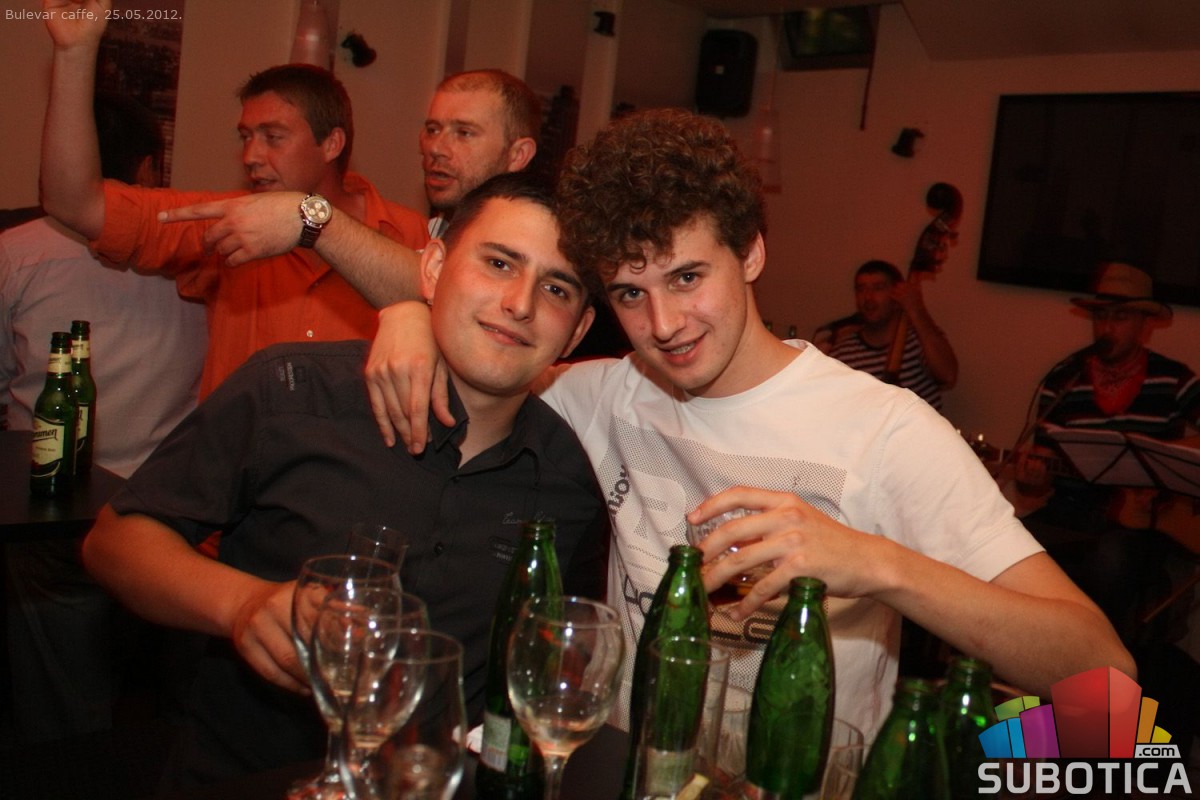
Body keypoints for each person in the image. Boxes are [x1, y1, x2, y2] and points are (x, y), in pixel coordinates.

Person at [365, 108, 1133, 744]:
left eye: (687, 277)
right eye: (630, 294)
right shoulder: (602, 395)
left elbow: (1107, 678)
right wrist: (409, 315)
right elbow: (487, 339)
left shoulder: (885, 431)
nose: (664, 324)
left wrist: (879, 566)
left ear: (752, 252)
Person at [79, 173, 609, 786]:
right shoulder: (291, 394)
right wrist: (241, 605)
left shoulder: (571, 486)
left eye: (556, 288)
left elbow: (556, 669)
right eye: (498, 263)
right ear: (433, 268)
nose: (520, 303)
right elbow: (114, 542)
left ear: (576, 330)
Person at [39, 0, 428, 399]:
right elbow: (74, 203)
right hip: (237, 440)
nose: (250, 156)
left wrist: (315, 224)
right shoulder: (226, 222)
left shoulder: (404, 231)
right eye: (246, 137)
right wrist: (74, 52)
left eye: (273, 137)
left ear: (331, 144)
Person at [0, 92, 206, 743]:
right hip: (170, 512)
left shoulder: (16, 251)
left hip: (52, 515)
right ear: (145, 170)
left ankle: (63, 758)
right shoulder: (196, 257)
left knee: (59, 699)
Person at [1013, 262, 1199, 644]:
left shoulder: (1174, 379)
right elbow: (1039, 474)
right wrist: (1031, 478)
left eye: (1120, 317)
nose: (1107, 327)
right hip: (1070, 513)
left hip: (1143, 525)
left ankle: (1093, 663)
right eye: (1101, 316)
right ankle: (1022, 670)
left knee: (1111, 558)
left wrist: (1164, 461)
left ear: (1145, 324)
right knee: (1010, 546)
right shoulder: (1064, 381)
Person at [814, 259, 958, 411]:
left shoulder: (920, 338)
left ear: (897, 295)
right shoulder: (843, 353)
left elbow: (948, 376)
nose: (868, 298)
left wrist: (916, 310)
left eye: (878, 288)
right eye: (861, 289)